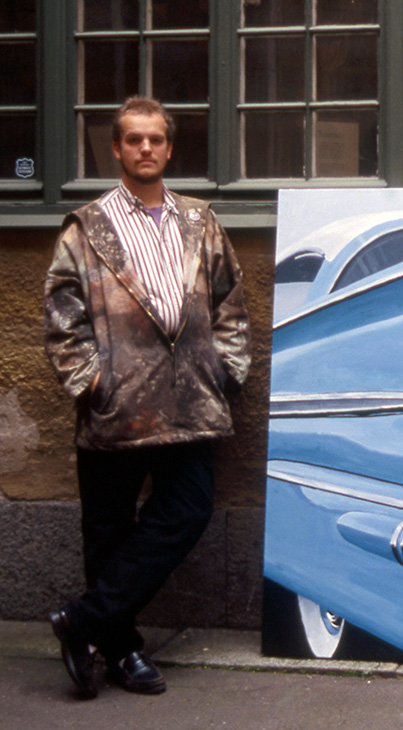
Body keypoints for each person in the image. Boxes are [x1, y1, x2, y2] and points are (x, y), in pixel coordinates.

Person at [43, 96, 251, 698]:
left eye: (155, 139)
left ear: (169, 147)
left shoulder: (199, 221)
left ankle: (82, 621)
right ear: (116, 148)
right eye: (134, 139)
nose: (145, 148)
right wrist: (92, 380)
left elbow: (230, 300)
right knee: (108, 529)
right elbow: (62, 314)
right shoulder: (87, 228)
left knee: (189, 508)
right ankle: (121, 649)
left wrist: (226, 367)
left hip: (188, 403)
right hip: (117, 407)